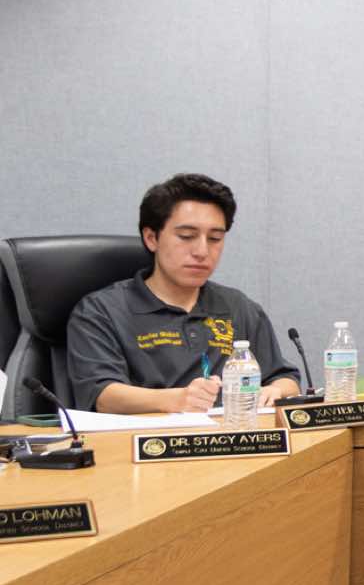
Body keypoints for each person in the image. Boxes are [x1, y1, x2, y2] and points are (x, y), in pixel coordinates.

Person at [64, 173, 301, 413]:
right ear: (151, 238)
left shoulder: (238, 307)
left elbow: (285, 379)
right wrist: (177, 400)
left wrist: (275, 390)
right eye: (187, 236)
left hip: (231, 431)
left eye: (215, 238)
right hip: (149, 435)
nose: (202, 251)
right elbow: (102, 395)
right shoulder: (101, 311)